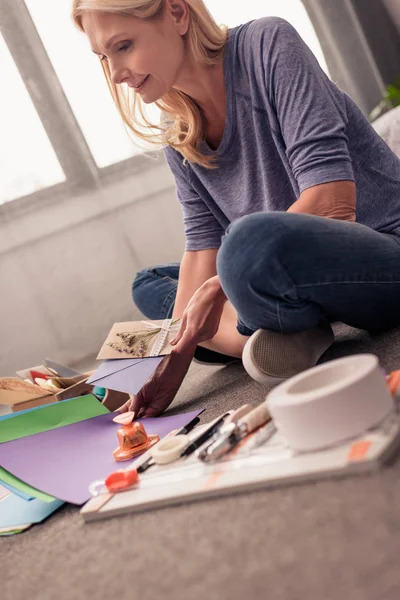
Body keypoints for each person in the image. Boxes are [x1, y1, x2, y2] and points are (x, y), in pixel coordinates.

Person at [72, 0, 400, 417]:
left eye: (123, 46)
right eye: (104, 57)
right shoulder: (178, 131)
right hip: (282, 271)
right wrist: (174, 359)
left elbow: (333, 203)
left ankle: (274, 325)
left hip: (383, 252)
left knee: (243, 245)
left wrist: (218, 287)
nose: (116, 74)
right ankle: (286, 325)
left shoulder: (269, 43)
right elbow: (200, 251)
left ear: (176, 13)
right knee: (151, 285)